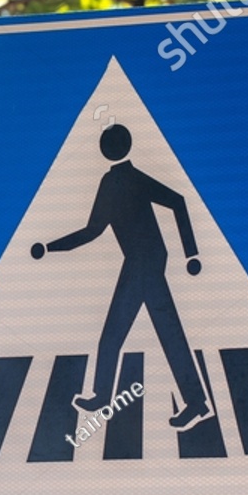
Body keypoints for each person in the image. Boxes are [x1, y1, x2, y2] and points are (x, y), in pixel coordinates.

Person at [32, 124, 213, 431]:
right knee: (151, 331)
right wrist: (51, 246)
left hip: (144, 263)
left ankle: (183, 402)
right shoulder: (122, 179)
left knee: (135, 332)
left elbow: (176, 202)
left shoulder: (121, 179)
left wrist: (193, 253)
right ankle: (111, 396)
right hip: (144, 261)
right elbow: (95, 230)